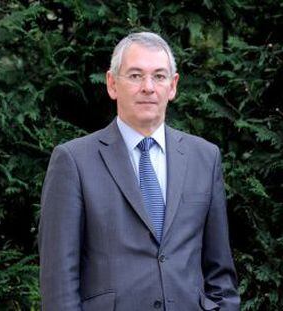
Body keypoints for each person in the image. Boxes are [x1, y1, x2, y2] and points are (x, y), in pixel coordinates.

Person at [38, 31, 240, 311]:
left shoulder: (205, 157)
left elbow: (220, 273)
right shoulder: (73, 161)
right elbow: (59, 284)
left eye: (159, 76)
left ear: (173, 86)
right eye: (135, 75)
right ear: (112, 84)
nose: (148, 87)